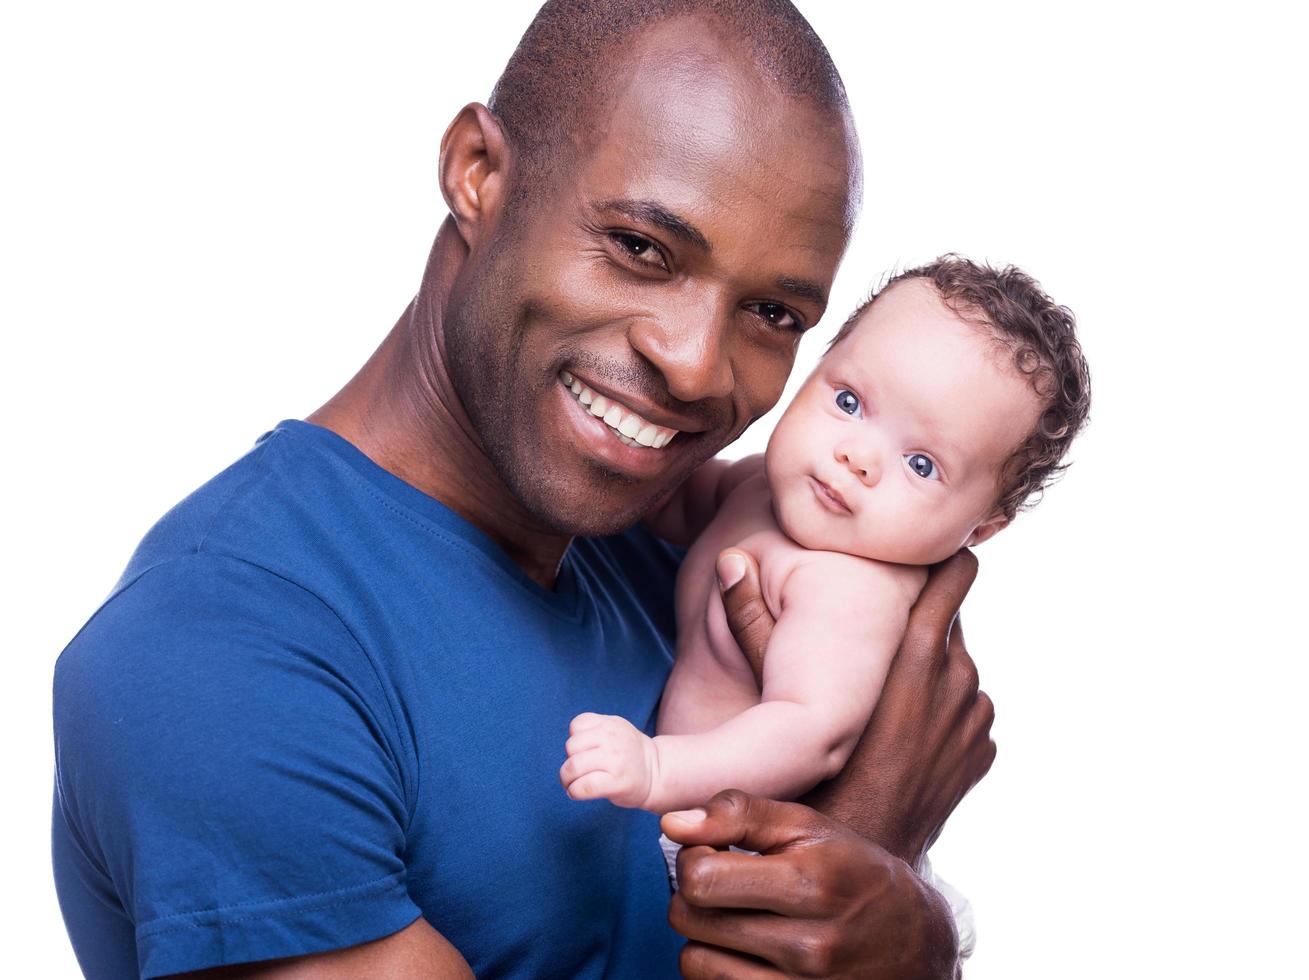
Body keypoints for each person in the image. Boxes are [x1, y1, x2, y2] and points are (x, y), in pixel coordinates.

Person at [50, 2, 997, 978]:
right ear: (478, 174)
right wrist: (872, 851)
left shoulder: (703, 565)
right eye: (640, 247)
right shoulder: (220, 653)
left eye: (770, 311)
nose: (695, 364)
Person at [561, 258, 1089, 814]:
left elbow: (811, 735)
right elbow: (672, 502)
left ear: (978, 528)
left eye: (920, 464)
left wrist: (658, 768)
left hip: (733, 832)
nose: (857, 457)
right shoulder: (766, 486)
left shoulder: (851, 591)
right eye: (849, 402)